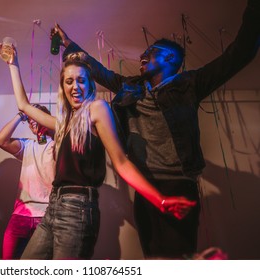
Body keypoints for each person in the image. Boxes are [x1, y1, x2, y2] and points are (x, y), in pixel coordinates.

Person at [53, 0, 260, 259]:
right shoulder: (132, 87)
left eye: (151, 51)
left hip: (178, 184)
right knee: (153, 258)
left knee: (177, 258)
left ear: (170, 58)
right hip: (145, 187)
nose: (143, 54)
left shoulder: (190, 84)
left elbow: (238, 55)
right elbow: (101, 73)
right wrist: (69, 44)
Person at [0, 43, 196, 259]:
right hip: (53, 207)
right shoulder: (64, 123)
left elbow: (121, 163)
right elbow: (24, 106)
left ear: (89, 85)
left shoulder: (97, 109)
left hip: (77, 209)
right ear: (63, 87)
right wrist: (13, 64)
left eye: (81, 80)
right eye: (69, 81)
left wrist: (161, 200)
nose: (75, 86)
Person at [0, 105, 55, 259]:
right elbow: (0, 140)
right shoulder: (27, 145)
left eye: (36, 117)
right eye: (29, 119)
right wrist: (21, 115)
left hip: (47, 214)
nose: (32, 121)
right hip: (21, 214)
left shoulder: (57, 144)